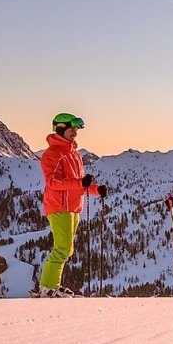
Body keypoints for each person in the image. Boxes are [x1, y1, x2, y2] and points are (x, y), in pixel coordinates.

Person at [34, 112, 107, 297]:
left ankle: (52, 286)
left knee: (67, 249)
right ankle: (47, 288)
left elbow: (78, 183)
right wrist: (80, 184)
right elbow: (52, 182)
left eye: (76, 129)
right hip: (58, 206)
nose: (75, 132)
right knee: (62, 248)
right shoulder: (52, 154)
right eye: (72, 128)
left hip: (73, 208)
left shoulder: (74, 154)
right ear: (61, 128)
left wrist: (95, 189)